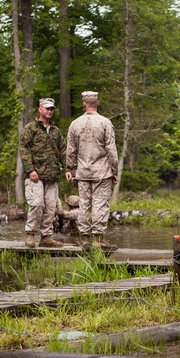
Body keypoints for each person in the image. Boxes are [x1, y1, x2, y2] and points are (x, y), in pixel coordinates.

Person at [65, 91, 118, 250]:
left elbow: (71, 150)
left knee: (84, 205)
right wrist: (114, 170)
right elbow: (111, 149)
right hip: (101, 172)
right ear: (98, 103)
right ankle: (97, 239)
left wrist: (71, 169)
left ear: (84, 104)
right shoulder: (105, 123)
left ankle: (84, 238)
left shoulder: (75, 124)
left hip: (83, 172)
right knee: (100, 204)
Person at [19, 97, 66, 248]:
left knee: (51, 206)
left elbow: (63, 151)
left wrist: (68, 169)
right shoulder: (31, 128)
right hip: (35, 175)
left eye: (52, 108)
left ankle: (46, 236)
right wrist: (30, 169)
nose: (50, 111)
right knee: (37, 204)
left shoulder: (56, 131)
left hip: (52, 175)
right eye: (47, 108)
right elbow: (24, 149)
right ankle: (30, 234)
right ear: (40, 109)